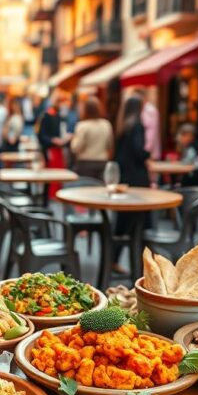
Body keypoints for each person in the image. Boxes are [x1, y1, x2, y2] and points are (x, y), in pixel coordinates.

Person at [112, 94, 152, 272]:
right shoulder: (137, 125)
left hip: (124, 176)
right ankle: (144, 264)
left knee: (122, 220)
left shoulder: (122, 125)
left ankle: (113, 259)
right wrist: (147, 155)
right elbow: (138, 151)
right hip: (137, 177)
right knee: (141, 220)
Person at [69, 97, 114, 179]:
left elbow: (75, 148)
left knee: (86, 188)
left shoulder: (82, 126)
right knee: (99, 189)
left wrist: (72, 139)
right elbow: (110, 145)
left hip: (85, 164)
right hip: (102, 163)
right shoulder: (106, 124)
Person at [141, 91, 161, 161]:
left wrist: (147, 149)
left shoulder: (149, 111)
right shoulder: (146, 110)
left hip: (148, 150)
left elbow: (151, 131)